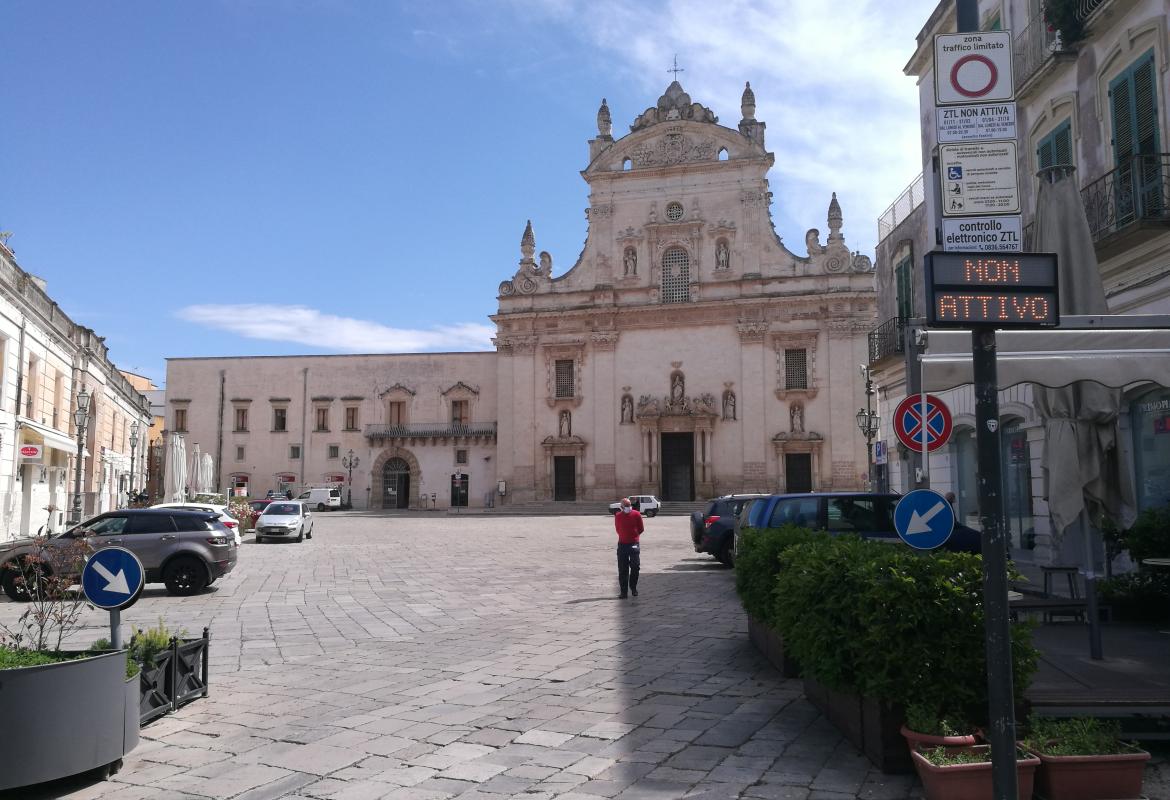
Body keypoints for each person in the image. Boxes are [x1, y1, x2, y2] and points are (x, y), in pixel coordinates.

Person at [613, 497, 645, 599]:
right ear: (621, 507)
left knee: (635, 567)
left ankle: (633, 587)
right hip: (622, 544)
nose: (628, 507)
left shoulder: (637, 514)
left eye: (629, 505)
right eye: (626, 506)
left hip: (634, 544)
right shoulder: (618, 516)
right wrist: (625, 536)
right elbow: (618, 529)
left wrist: (634, 536)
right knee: (623, 569)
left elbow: (641, 529)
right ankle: (623, 592)